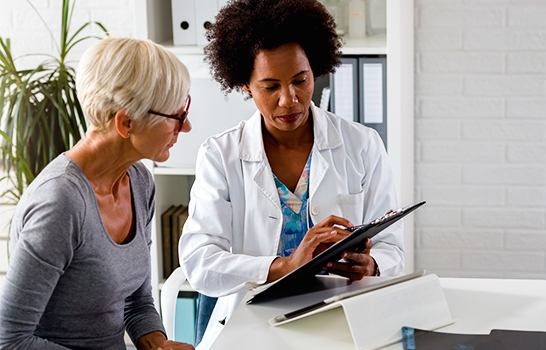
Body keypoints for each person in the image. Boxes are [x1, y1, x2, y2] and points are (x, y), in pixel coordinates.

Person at [179, 0, 405, 347]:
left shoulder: (362, 145)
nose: (290, 99)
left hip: (343, 319)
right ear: (245, 85)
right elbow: (199, 262)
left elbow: (393, 249)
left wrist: (371, 265)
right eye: (270, 86)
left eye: (300, 80)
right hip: (251, 324)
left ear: (315, 68)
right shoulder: (220, 156)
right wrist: (283, 266)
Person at [0, 37, 194, 350]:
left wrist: (158, 344)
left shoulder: (139, 181)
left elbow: (137, 303)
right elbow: (9, 342)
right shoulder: (60, 203)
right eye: (177, 116)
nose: (186, 127)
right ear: (126, 122)